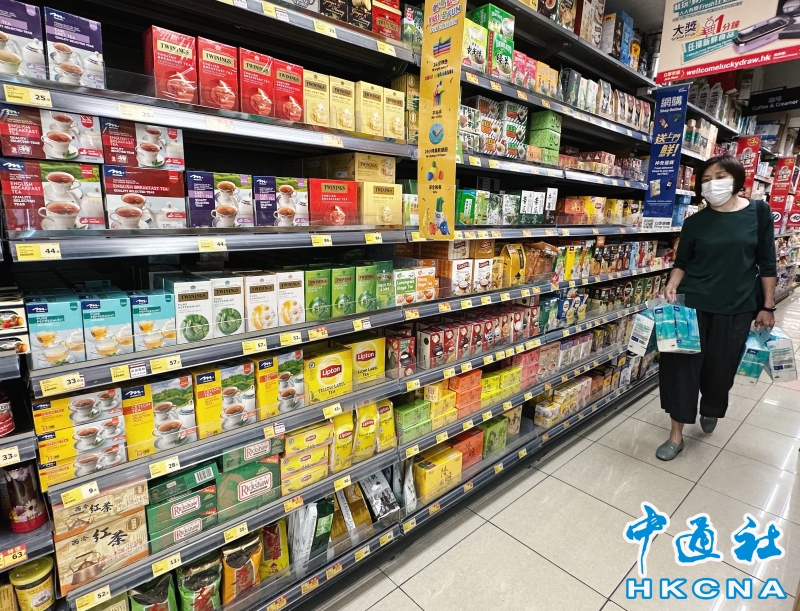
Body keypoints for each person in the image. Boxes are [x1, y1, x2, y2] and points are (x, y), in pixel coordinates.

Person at [656, 154, 776, 461]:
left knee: (720, 370)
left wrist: (768, 305)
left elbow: (767, 262)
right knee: (680, 369)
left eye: (720, 177)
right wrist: (672, 284)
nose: (712, 184)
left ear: (737, 179)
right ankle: (676, 434)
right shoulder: (695, 222)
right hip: (691, 305)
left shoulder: (758, 213)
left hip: (736, 307)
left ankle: (710, 407)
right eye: (706, 180)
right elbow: (683, 262)